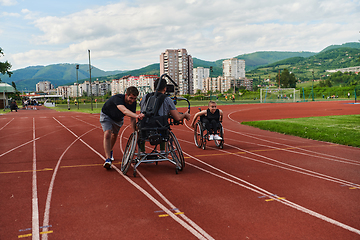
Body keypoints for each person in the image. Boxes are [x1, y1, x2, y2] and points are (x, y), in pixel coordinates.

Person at [139, 77, 190, 154]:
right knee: (164, 128)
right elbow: (177, 117)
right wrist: (185, 115)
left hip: (144, 126)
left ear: (154, 87)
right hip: (160, 127)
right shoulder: (167, 99)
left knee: (139, 129)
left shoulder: (145, 97)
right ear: (165, 89)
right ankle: (162, 151)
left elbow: (142, 111)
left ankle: (142, 152)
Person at [100, 86, 144, 169]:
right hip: (107, 115)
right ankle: (108, 159)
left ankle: (110, 150)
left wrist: (135, 133)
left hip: (118, 119)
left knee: (114, 135)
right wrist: (137, 115)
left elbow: (132, 119)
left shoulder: (133, 103)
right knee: (107, 134)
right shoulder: (117, 98)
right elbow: (124, 111)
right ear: (126, 95)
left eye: (134, 99)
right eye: (131, 98)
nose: (132, 100)